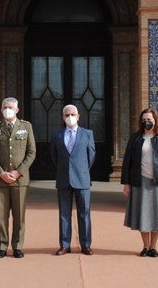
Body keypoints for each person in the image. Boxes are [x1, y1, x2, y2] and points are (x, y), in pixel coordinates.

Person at [121, 108, 158, 258]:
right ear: (141, 121)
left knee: (156, 214)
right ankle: (145, 246)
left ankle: (153, 247)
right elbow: (127, 162)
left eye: (150, 119)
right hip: (140, 181)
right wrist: (126, 183)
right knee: (143, 214)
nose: (147, 122)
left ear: (155, 120)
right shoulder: (135, 138)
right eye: (144, 119)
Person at [0, 97, 36, 259]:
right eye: (4, 107)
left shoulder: (26, 127)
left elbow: (31, 152)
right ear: (1, 109)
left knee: (19, 215)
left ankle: (17, 246)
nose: (7, 109)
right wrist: (1, 173)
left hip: (20, 180)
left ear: (17, 110)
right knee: (2, 216)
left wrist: (18, 172)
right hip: (0, 180)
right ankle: (1, 246)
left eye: (10, 107)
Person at [50, 104, 96, 256]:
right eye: (66, 115)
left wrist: (81, 170)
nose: (70, 117)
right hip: (63, 178)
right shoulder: (57, 135)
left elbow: (91, 156)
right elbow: (54, 156)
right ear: (63, 117)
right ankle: (64, 244)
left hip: (82, 178)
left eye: (72, 114)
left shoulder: (87, 134)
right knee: (64, 214)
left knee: (84, 213)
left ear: (78, 116)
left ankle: (86, 244)